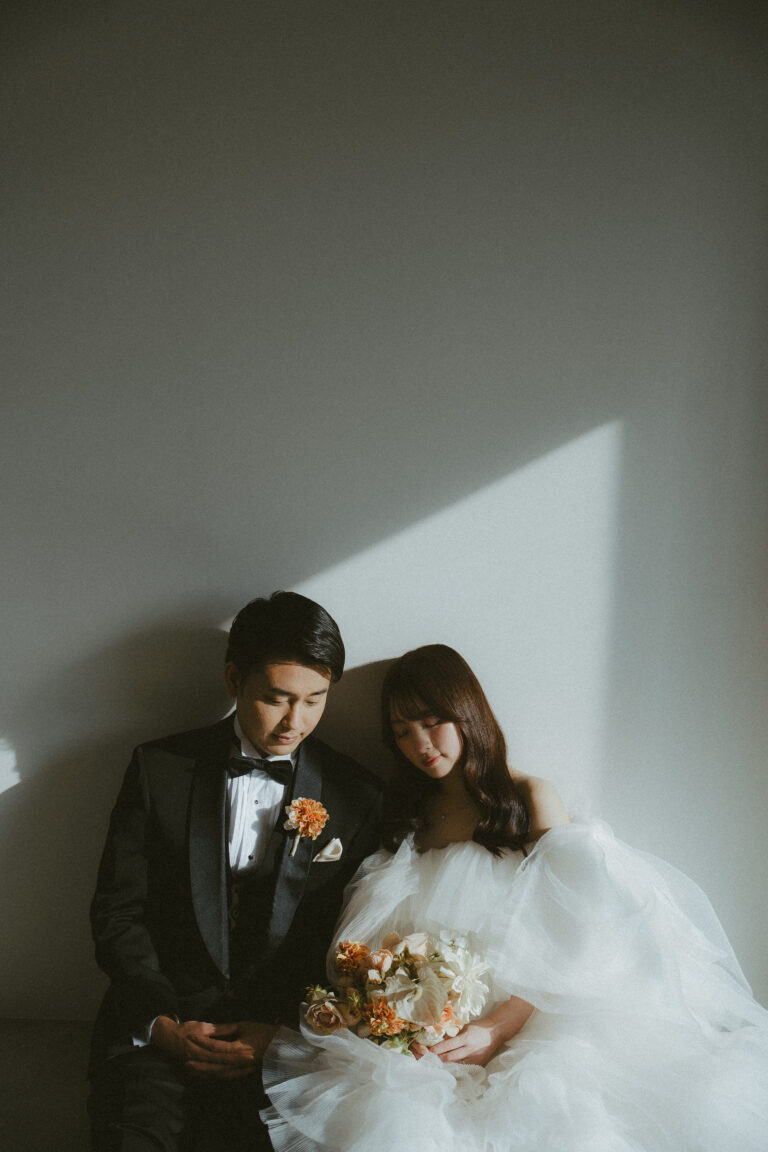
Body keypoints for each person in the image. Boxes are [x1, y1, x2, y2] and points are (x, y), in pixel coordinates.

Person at [261, 643, 768, 1152]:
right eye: (402, 731)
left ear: (467, 712)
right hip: (426, 1036)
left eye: (432, 722)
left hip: (528, 1020)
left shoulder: (529, 798)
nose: (421, 744)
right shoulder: (409, 813)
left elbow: (581, 931)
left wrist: (497, 1029)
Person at [88, 591, 382, 1152]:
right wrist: (162, 1025)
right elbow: (118, 912)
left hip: (278, 1043)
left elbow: (350, 941)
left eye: (315, 700)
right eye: (276, 699)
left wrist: (285, 1035)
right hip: (160, 1034)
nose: (295, 721)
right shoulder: (159, 769)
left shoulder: (358, 795)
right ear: (232, 679)